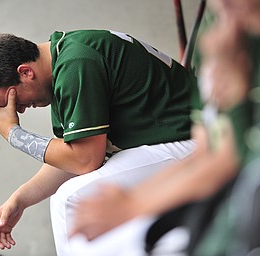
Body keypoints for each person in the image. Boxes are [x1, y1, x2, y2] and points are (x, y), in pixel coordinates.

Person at [0, 29, 199, 255]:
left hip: (198, 139)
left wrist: (14, 134)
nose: (18, 109)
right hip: (175, 140)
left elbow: (85, 160)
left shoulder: (76, 65)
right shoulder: (65, 62)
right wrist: (20, 200)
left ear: (25, 72)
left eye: (13, 99)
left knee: (69, 198)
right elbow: (72, 158)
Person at [69, 0, 259, 255]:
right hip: (227, 192)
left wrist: (132, 205)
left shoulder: (78, 60)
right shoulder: (218, 35)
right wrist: (129, 203)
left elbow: (234, 156)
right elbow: (208, 151)